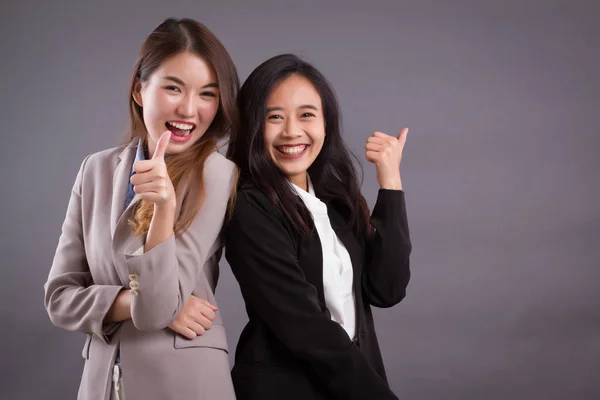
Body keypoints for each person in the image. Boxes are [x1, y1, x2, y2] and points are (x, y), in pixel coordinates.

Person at [44, 18, 239, 400]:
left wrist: (164, 207)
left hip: (185, 382)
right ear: (139, 89)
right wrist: (128, 301)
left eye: (207, 94)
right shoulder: (96, 170)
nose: (189, 109)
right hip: (102, 384)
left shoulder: (217, 174)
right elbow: (59, 298)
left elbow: (157, 310)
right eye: (173, 88)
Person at [225, 53, 412, 399]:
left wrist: (391, 182)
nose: (292, 131)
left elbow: (387, 288)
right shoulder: (249, 206)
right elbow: (304, 326)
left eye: (306, 115)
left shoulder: (333, 201)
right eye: (274, 117)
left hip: (347, 385)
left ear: (326, 122)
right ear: (253, 126)